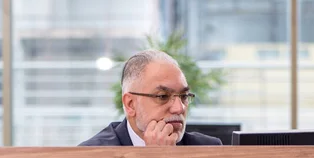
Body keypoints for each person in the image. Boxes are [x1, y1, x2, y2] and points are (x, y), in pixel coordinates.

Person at [79, 49, 222, 146]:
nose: (179, 108)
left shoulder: (209, 149)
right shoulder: (91, 156)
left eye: (184, 96)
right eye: (162, 96)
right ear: (130, 104)